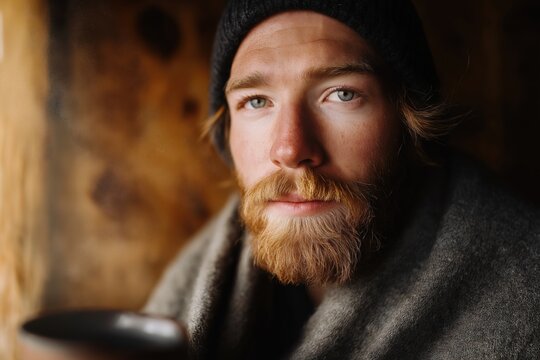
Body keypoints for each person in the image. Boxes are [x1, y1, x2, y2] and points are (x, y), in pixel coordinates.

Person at [145, 0, 540, 358]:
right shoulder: (198, 276)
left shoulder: (526, 303)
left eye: (342, 94)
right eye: (257, 101)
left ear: (410, 120)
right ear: (226, 134)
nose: (290, 149)